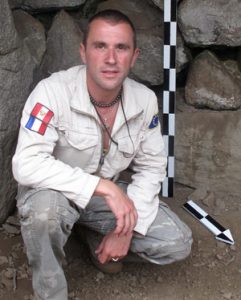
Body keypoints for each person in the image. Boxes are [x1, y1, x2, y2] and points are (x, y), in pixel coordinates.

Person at [12, 9, 192, 300]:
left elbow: (152, 166)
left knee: (176, 242)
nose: (111, 59)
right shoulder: (51, 92)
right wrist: (104, 187)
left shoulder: (144, 101)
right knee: (45, 215)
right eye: (100, 46)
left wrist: (127, 230)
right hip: (55, 193)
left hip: (101, 203)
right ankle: (51, 293)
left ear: (134, 56)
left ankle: (93, 236)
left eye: (121, 48)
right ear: (83, 52)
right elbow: (26, 164)